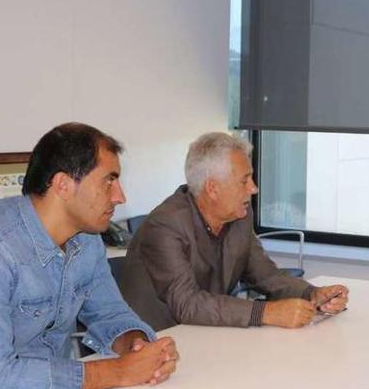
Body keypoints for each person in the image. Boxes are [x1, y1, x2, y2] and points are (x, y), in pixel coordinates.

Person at [0, 123, 179, 389]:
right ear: (63, 185)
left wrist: (138, 348)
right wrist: (118, 372)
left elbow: (110, 314)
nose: (120, 196)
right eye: (109, 180)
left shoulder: (86, 239)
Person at [120, 132, 348, 331]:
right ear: (213, 188)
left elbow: (267, 276)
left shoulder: (239, 216)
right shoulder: (165, 225)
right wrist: (266, 312)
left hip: (208, 335)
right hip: (156, 341)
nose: (254, 188)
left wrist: (311, 294)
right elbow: (187, 304)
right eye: (244, 180)